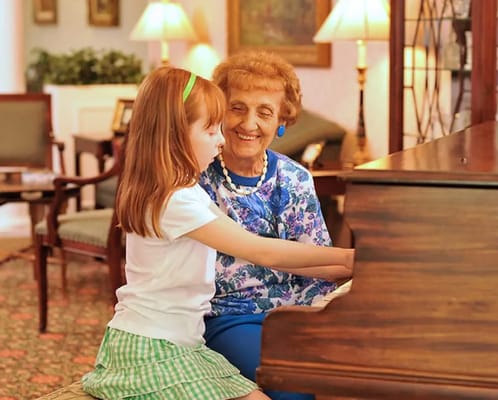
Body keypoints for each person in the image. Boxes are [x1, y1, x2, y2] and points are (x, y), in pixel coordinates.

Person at [81, 65, 354, 400]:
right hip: (154, 347)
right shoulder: (176, 199)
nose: (223, 137)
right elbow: (261, 251)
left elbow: (263, 248)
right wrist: (351, 257)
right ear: (177, 133)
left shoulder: (184, 190)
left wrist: (360, 265)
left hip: (177, 341)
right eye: (212, 129)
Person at [199, 51, 344, 400]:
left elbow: (317, 259)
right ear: (219, 112)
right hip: (229, 315)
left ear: (281, 120)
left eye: (264, 112)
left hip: (295, 313)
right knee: (291, 388)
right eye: (237, 107)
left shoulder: (295, 178)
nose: (248, 124)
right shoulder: (199, 178)